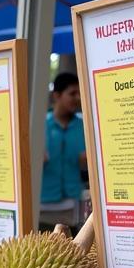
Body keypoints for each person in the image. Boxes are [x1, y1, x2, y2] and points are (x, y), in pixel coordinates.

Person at [40, 71, 86, 228]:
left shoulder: (83, 126)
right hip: (42, 207)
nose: (78, 98)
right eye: (72, 93)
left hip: (73, 206)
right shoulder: (39, 126)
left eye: (80, 93)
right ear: (57, 95)